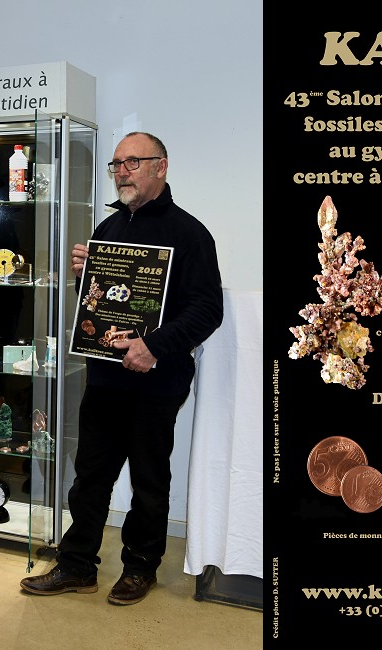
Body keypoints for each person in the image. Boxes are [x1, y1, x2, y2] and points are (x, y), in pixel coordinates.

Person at [20, 132, 224, 605]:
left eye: (133, 162)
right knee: (89, 477)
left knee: (149, 481)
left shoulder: (190, 233)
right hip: (105, 378)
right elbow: (98, 309)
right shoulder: (107, 229)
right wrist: (84, 280)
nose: (122, 172)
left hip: (158, 380)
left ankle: (139, 568)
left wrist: (154, 346)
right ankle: (76, 565)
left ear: (161, 166)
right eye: (116, 164)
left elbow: (207, 309)